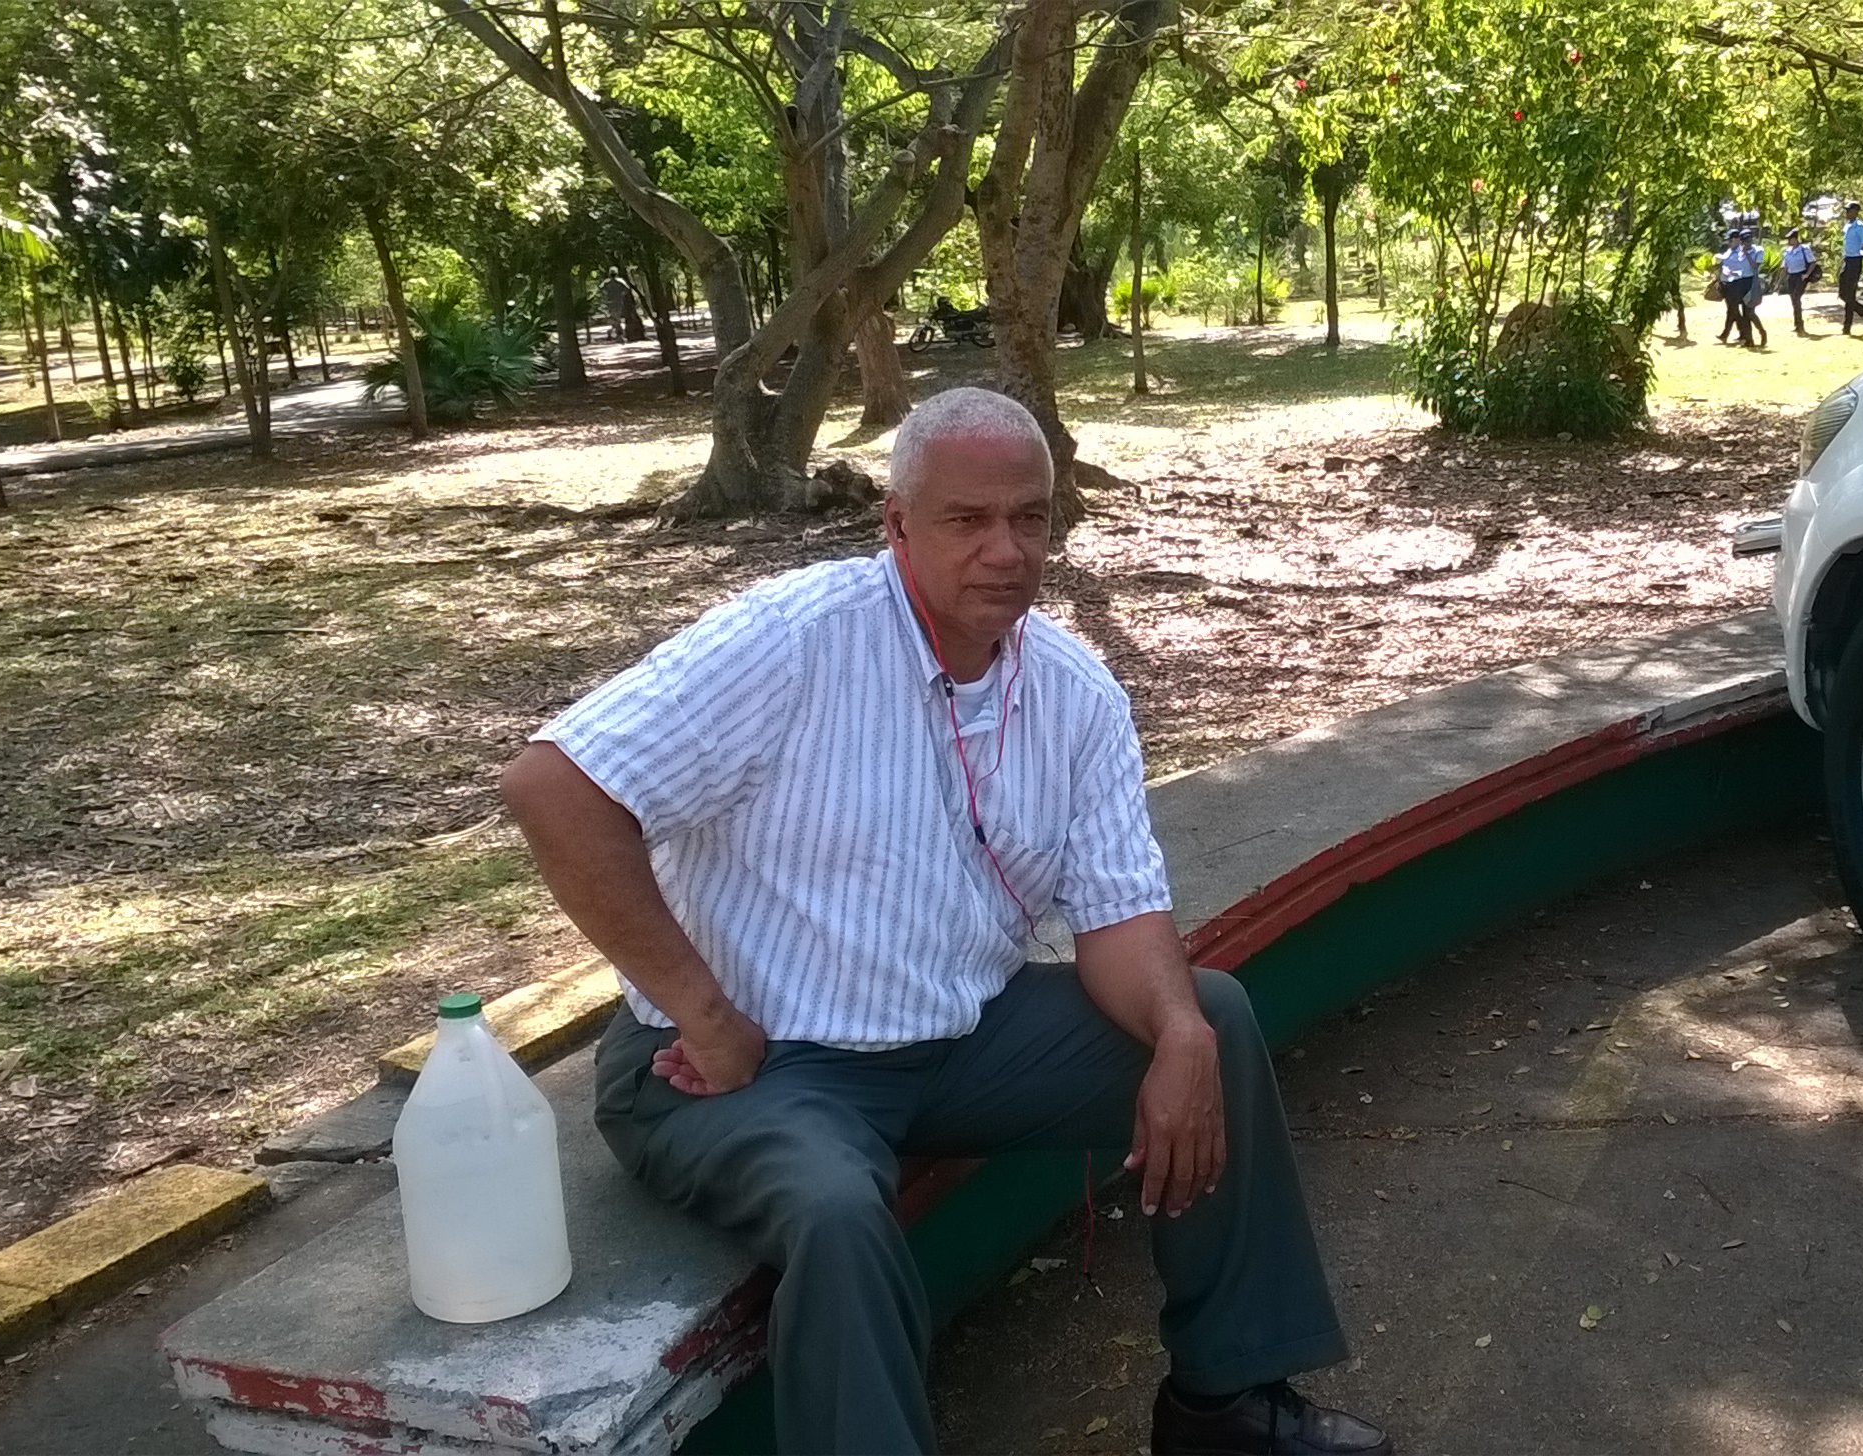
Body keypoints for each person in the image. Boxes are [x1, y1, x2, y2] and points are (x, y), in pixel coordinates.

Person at [498, 387, 1388, 1456]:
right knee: (835, 1212)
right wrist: (701, 1007)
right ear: (897, 523)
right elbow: (554, 786)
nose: (1005, 550)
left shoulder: (1075, 693)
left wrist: (1180, 1032)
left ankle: (1226, 1403)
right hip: (745, 1063)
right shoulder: (793, 641)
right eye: (969, 520)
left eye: (1030, 518)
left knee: (1214, 1019)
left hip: (956, 1043)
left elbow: (1116, 915)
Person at [1716, 229, 1765, 346]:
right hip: (1740, 283)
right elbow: (1736, 269)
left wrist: (1747, 254)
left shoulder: (1756, 250)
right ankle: (1749, 339)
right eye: (1744, 241)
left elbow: (1754, 267)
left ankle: (1762, 333)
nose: (1746, 243)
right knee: (1739, 311)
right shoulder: (1738, 253)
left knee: (1749, 313)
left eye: (1748, 240)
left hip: (1751, 282)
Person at [1837, 202, 1863, 333]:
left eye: (1850, 210)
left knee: (1850, 294)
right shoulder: (1847, 226)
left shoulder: (1860, 227)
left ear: (1855, 212)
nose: (1847, 213)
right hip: (1847, 260)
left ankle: (1847, 326)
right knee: (1843, 294)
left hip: (1855, 261)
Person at [1779, 226, 1817, 335]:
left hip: (1801, 276)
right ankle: (1797, 323)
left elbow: (1812, 262)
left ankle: (1800, 324)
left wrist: (1807, 274)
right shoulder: (1787, 251)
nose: (1789, 241)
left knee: (1796, 296)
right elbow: (1784, 267)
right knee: (1793, 300)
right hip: (1791, 276)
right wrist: (1780, 281)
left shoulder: (1804, 249)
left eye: (1790, 239)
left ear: (1795, 239)